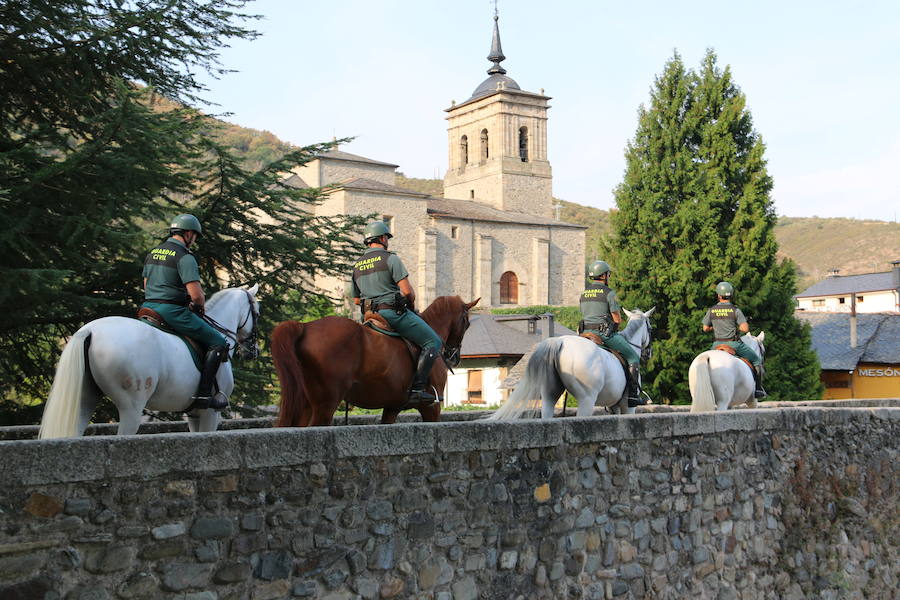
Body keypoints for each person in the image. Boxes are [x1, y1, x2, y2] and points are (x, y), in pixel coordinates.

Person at [142, 214, 229, 410]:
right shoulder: (185, 256)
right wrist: (197, 306)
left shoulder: (154, 252)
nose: (194, 241)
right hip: (172, 311)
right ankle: (205, 396)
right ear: (189, 234)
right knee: (218, 342)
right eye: (195, 236)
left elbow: (146, 285)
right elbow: (196, 295)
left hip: (147, 309)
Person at [351, 220, 443, 406]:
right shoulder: (390, 259)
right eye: (387, 238)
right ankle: (417, 389)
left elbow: (356, 300)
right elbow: (407, 291)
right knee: (433, 341)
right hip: (391, 314)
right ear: (383, 238)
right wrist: (409, 303)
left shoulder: (357, 266)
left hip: (368, 316)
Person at [579, 260, 645, 406]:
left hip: (584, 333)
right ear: (603, 276)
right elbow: (617, 319)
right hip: (603, 334)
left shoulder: (584, 293)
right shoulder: (609, 293)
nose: (608, 276)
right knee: (633, 357)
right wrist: (613, 328)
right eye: (608, 274)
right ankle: (633, 396)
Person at [702, 281, 767, 398]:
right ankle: (758, 389)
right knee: (756, 360)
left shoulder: (711, 310)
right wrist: (737, 325)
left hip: (716, 345)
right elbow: (745, 328)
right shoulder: (735, 310)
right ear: (730, 295)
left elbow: (705, 328)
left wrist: (715, 326)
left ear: (718, 295)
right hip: (734, 344)